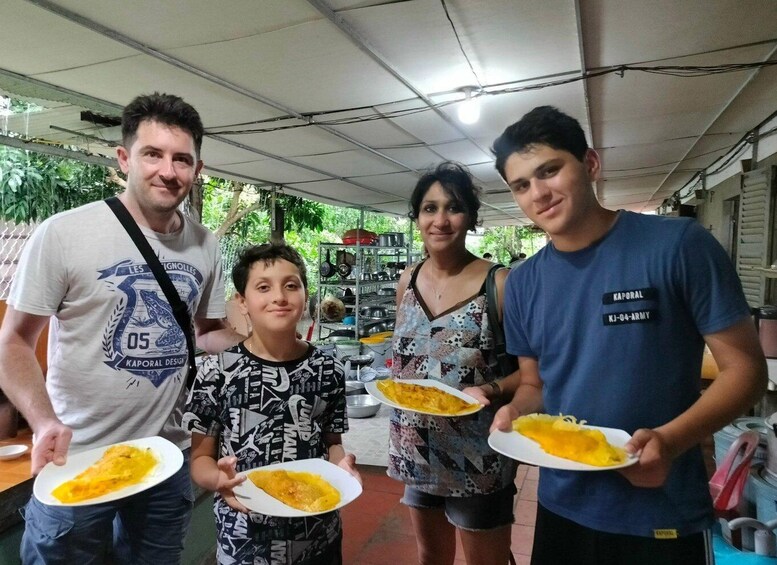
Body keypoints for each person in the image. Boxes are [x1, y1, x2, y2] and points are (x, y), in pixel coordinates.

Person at [490, 105, 767, 565]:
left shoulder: (678, 245)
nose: (538, 193)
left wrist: (671, 441)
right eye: (521, 185)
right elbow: (535, 384)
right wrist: (513, 413)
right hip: (563, 506)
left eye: (550, 171)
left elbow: (747, 371)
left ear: (591, 164)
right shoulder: (522, 283)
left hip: (660, 511)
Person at [0, 92, 243, 564]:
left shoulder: (205, 244)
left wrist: (263, 342)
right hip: (78, 453)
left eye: (181, 159)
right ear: (124, 158)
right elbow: (12, 341)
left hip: (166, 453)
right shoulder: (65, 233)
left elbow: (204, 333)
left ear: (198, 168)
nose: (167, 171)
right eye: (152, 154)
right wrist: (43, 420)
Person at [183, 243, 360, 565]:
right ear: (242, 302)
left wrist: (341, 467)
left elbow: (332, 443)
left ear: (306, 294)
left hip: (318, 533)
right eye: (263, 287)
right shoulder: (216, 371)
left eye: (291, 285)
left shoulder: (328, 370)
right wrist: (218, 480)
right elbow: (200, 459)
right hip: (245, 540)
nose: (279, 296)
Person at [389, 161, 521, 565]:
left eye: (453, 207)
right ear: (417, 217)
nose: (441, 220)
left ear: (470, 218)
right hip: (415, 449)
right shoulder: (406, 281)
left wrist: (491, 389)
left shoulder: (498, 284)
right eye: (429, 208)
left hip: (477, 456)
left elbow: (535, 372)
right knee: (431, 557)